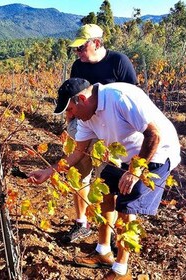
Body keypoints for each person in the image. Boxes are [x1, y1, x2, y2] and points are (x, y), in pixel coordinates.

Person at [28, 78, 181, 279]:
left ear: (82, 99)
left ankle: (121, 270)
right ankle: (103, 252)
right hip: (122, 156)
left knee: (126, 208)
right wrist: (49, 171)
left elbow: (154, 135)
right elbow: (77, 153)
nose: (69, 116)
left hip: (156, 153)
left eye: (70, 110)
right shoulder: (86, 118)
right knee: (104, 194)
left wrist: (134, 172)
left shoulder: (119, 98)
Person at [61, 23, 137, 244]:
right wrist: (70, 125)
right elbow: (72, 99)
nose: (78, 53)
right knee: (77, 173)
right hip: (83, 126)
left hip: (110, 132)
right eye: (76, 49)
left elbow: (132, 96)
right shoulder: (78, 66)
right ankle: (81, 223)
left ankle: (110, 232)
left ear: (96, 43)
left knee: (107, 181)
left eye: (81, 48)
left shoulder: (118, 62)